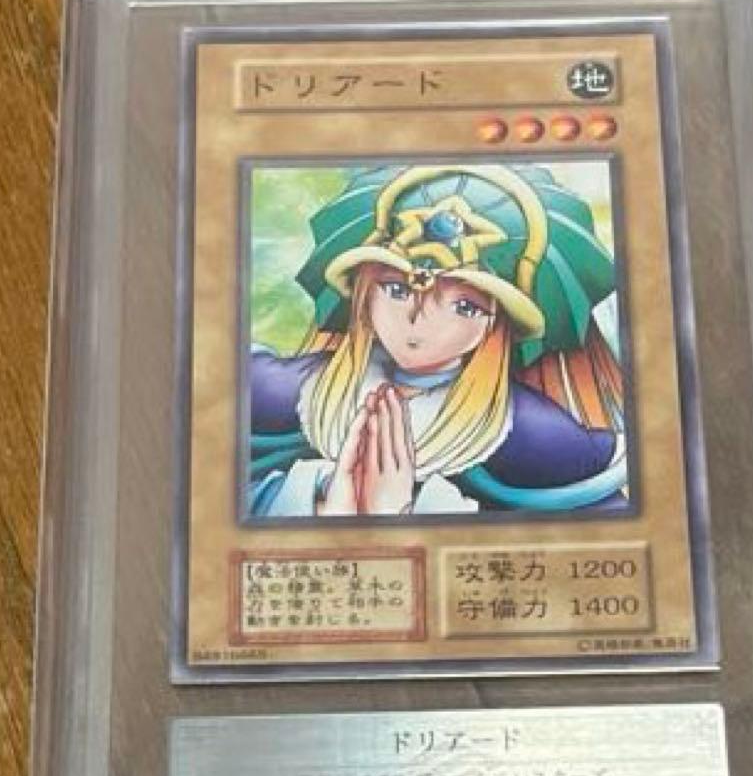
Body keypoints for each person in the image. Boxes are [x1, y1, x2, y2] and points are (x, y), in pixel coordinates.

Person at [247, 163, 628, 517]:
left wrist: (409, 511)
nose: (418, 320)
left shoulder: (535, 436)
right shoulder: (290, 390)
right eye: (396, 289)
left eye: (464, 306)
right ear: (363, 295)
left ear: (498, 324)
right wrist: (318, 502)